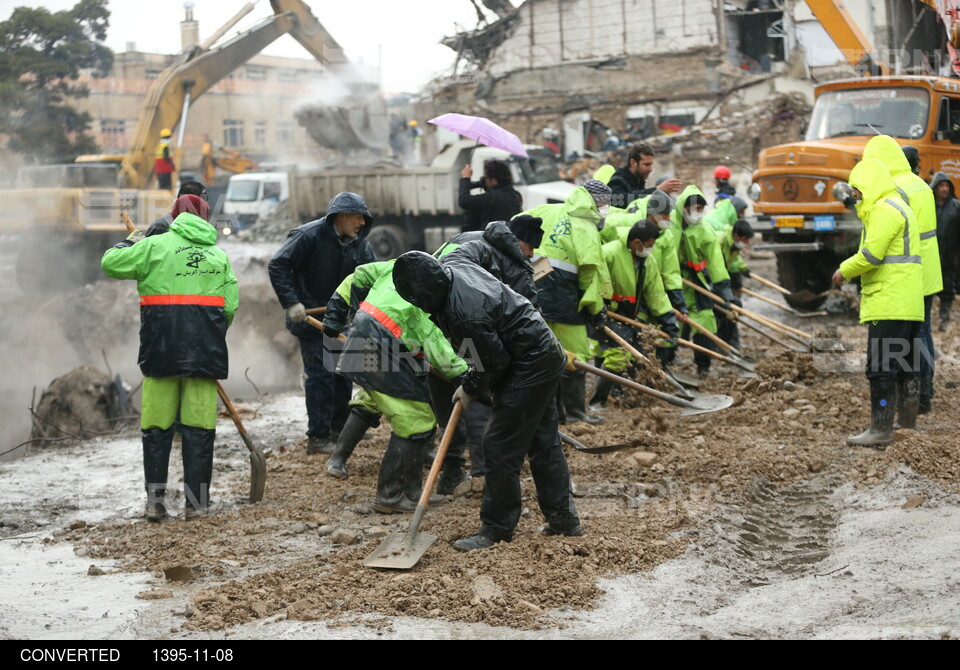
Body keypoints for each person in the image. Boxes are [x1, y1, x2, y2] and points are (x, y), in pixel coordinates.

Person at [392, 251, 582, 552]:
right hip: (542, 354)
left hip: (528, 365)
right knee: (543, 442)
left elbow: (493, 364)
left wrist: (470, 387)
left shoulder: (465, 314)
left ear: (428, 294)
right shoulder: (454, 267)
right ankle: (564, 521)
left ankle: (495, 530)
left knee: (499, 446)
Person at [101, 194, 239, 521]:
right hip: (204, 355)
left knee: (157, 426)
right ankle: (196, 504)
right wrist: (204, 332)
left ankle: (155, 503)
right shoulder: (218, 256)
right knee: (199, 427)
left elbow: (109, 263)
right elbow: (229, 309)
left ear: (174, 216)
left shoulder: (153, 247)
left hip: (159, 350)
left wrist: (131, 240)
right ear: (206, 219)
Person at [322, 261, 467, 511]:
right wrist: (468, 377)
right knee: (414, 420)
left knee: (420, 415)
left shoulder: (399, 267)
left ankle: (412, 492)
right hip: (378, 347)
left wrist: (346, 315)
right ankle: (389, 496)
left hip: (376, 342)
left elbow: (358, 276)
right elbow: (441, 353)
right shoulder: (429, 300)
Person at [431, 216, 545, 491]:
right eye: (530, 250)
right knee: (479, 391)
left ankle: (451, 471)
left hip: (435, 325)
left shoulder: (468, 238)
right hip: (463, 327)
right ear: (521, 242)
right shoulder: (513, 263)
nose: (530, 256)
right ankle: (481, 471)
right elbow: (526, 316)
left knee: (445, 393)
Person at [268, 192, 376, 454]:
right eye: (357, 217)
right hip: (310, 319)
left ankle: (340, 429)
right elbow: (279, 265)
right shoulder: (308, 236)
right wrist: (291, 302)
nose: (362, 223)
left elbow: (371, 277)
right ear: (341, 216)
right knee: (320, 376)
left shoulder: (359, 244)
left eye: (364, 218)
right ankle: (318, 437)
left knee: (343, 374)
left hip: (341, 319)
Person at [832, 158, 924, 447]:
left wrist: (843, 270)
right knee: (906, 362)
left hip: (889, 300)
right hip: (906, 301)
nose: (856, 198)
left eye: (858, 191)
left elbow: (871, 255)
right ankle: (906, 424)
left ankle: (881, 428)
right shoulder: (899, 206)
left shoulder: (884, 210)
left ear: (869, 186)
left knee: (880, 367)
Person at [862, 136, 942, 414]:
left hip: (910, 272)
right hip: (928, 268)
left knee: (908, 341)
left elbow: (887, 238)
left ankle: (917, 399)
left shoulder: (895, 189)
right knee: (922, 334)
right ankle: (922, 396)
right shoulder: (921, 184)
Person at [523, 180, 614, 424]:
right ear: (596, 202)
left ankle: (550, 414)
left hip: (532, 291)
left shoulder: (549, 210)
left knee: (544, 354)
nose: (607, 209)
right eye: (605, 203)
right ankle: (575, 413)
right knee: (575, 355)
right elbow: (590, 276)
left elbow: (515, 225)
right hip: (565, 296)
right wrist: (596, 310)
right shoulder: (585, 227)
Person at [590, 219, 678, 409]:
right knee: (617, 356)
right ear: (637, 242)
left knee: (643, 352)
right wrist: (599, 307)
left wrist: (669, 321)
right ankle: (598, 401)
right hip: (609, 313)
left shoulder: (649, 261)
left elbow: (656, 294)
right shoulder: (610, 253)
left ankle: (631, 397)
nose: (651, 249)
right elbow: (594, 279)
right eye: (649, 245)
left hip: (631, 314)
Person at [675, 186, 734, 378]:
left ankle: (703, 366)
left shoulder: (704, 231)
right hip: (673, 283)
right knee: (669, 323)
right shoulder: (670, 228)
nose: (698, 213)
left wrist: (724, 290)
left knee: (705, 320)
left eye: (701, 208)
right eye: (694, 208)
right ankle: (664, 363)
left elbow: (716, 261)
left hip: (696, 282)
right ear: (683, 207)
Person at [715, 218, 754, 350]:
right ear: (736, 236)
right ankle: (718, 344)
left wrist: (744, 268)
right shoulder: (719, 241)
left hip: (720, 278)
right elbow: (715, 265)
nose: (747, 243)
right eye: (745, 239)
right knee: (724, 308)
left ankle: (729, 342)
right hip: (708, 278)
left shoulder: (734, 244)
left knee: (733, 307)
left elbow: (734, 260)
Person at [607, 143, 682, 208]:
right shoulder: (618, 180)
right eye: (646, 164)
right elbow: (620, 200)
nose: (650, 169)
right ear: (633, 163)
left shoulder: (638, 179)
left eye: (651, 164)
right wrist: (657, 190)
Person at [459, 160, 522, 233]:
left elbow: (464, 201)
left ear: (494, 180)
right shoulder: (513, 194)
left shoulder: (493, 197)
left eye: (488, 177)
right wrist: (482, 183)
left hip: (492, 239)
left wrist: (466, 177)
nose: (486, 180)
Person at [932, 172, 960, 331]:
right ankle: (925, 323)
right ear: (934, 188)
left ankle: (944, 322)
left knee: (947, 290)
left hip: (949, 256)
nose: (944, 189)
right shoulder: (928, 206)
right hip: (929, 256)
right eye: (941, 186)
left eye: (947, 186)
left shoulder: (956, 207)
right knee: (926, 290)